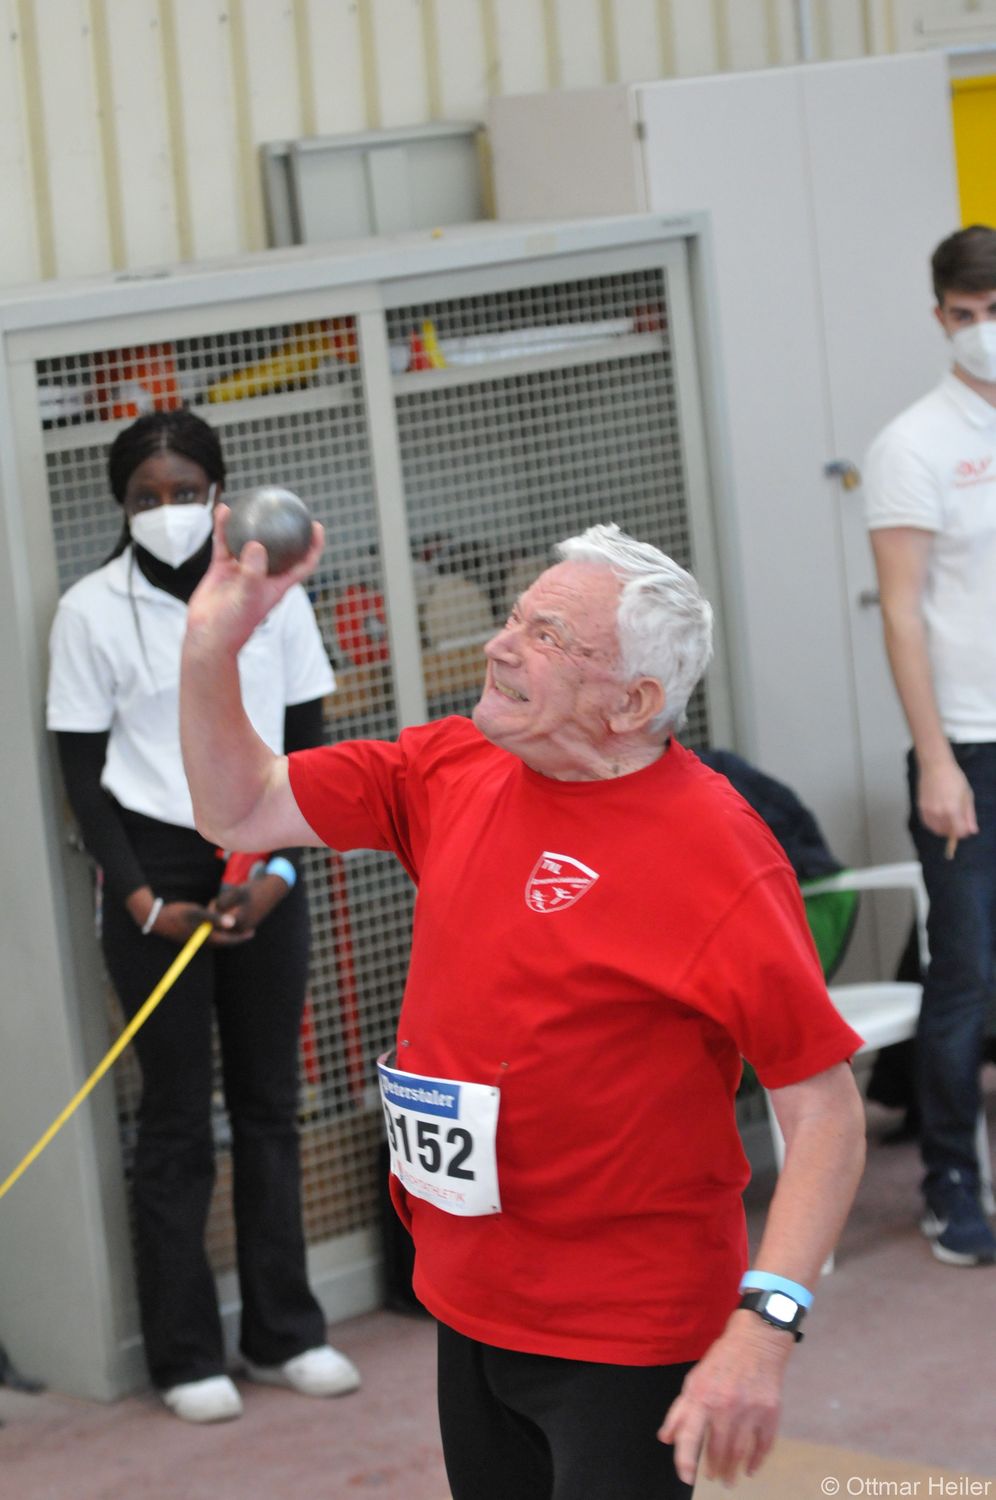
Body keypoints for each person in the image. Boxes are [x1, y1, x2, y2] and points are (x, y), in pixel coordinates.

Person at [180, 516, 866, 1495]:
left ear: (633, 701)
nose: (501, 646)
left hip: (625, 1325)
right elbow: (240, 806)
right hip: (469, 1299)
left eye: (548, 637)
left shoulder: (718, 852)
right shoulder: (454, 765)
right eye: (514, 618)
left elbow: (825, 1111)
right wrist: (211, 647)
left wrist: (764, 1329)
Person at [46, 410, 361, 1423]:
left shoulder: (278, 600)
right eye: (147, 497)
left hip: (263, 852)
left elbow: (310, 745)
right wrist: (143, 900)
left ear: (220, 497)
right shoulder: (89, 611)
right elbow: (82, 776)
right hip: (153, 869)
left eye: (186, 492)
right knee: (176, 1119)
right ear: (121, 505)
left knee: (270, 1104)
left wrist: (277, 873)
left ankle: (285, 1334)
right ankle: (185, 1355)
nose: (168, 511)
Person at [865, 224, 996, 1269]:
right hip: (970, 746)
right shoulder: (911, 444)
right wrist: (937, 758)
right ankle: (951, 1179)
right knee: (968, 972)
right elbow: (902, 614)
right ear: (940, 316)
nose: (983, 331)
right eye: (966, 315)